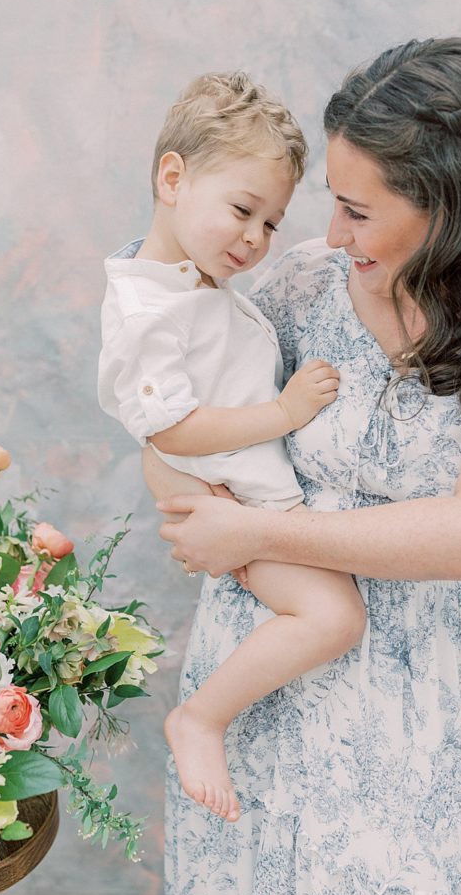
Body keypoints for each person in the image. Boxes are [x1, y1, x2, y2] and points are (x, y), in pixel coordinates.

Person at [151, 38, 461, 895]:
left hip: (421, 707)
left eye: (358, 210)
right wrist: (186, 486)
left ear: (455, 208)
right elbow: (168, 378)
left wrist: (251, 528)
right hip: (266, 673)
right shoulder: (306, 280)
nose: (334, 236)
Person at [97, 72, 366, 825]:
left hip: (242, 490)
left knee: (330, 610)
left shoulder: (189, 282)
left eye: (271, 223)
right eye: (243, 210)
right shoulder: (149, 310)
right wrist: (282, 413)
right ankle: (200, 718)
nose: (255, 239)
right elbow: (171, 429)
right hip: (236, 498)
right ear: (173, 178)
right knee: (334, 617)